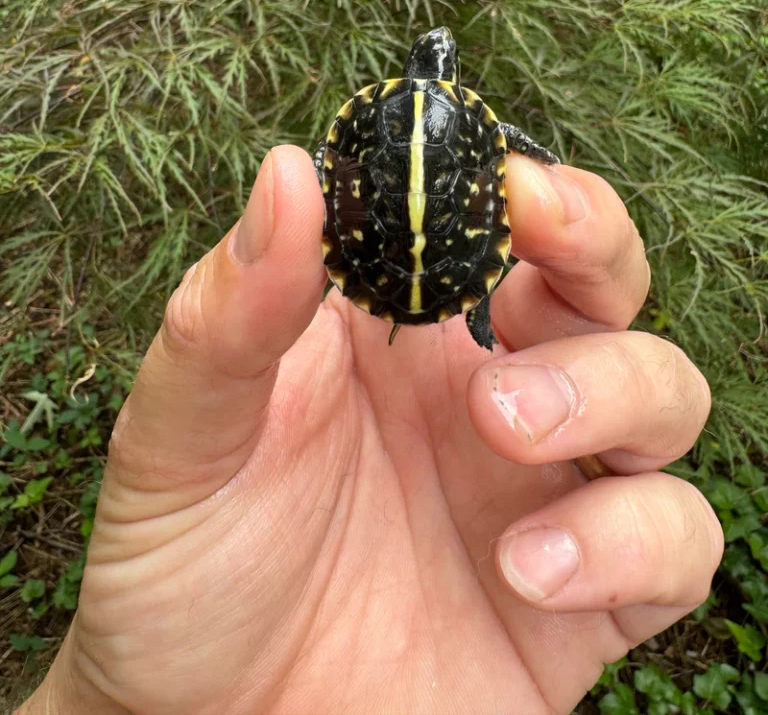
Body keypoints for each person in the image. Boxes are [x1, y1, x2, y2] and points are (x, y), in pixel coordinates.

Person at [19, 147, 723, 715]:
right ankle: (475, 316)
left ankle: (478, 321)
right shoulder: (478, 133)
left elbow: (342, 172)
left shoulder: (371, 130)